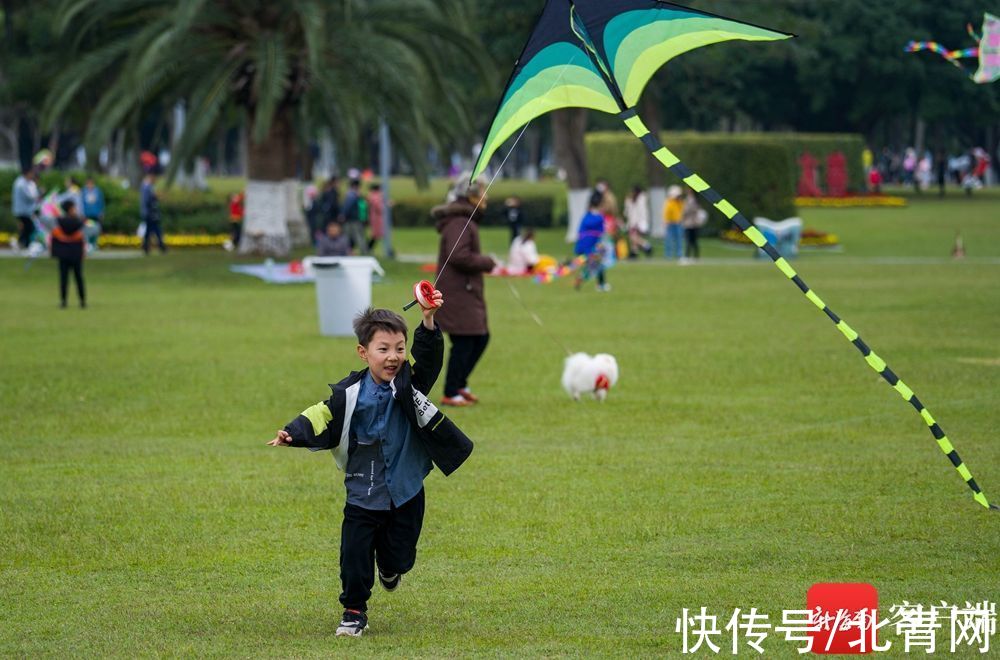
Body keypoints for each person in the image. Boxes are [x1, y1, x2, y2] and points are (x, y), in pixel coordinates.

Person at [267, 299, 474, 638]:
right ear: (363, 352)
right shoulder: (349, 394)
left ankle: (390, 568)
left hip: (405, 490)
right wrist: (293, 432)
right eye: (383, 349)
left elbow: (431, 359)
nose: (393, 356)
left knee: (399, 556)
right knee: (354, 555)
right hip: (363, 490)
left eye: (399, 349)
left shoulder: (409, 386)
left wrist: (428, 320)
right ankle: (353, 611)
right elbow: (321, 414)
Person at [434, 174, 497, 407]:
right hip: (457, 292)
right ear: (472, 195)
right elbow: (458, 255)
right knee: (466, 340)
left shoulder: (464, 219)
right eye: (483, 191)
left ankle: (460, 384)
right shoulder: (460, 221)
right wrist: (487, 262)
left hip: (464, 291)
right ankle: (452, 391)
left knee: (479, 337)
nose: (486, 196)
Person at [51, 199, 86, 308]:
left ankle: (63, 301)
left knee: (63, 278)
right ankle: (82, 301)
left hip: (63, 254)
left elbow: (54, 238)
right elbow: (84, 233)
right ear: (70, 209)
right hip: (75, 254)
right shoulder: (78, 222)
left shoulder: (59, 222)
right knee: (78, 278)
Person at [574, 191, 610, 292]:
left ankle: (589, 280)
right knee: (597, 265)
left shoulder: (586, 216)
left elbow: (580, 231)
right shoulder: (599, 218)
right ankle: (600, 284)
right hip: (592, 246)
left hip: (583, 245)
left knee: (595, 265)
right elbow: (602, 232)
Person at [12, 167, 40, 250]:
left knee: (27, 227)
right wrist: (37, 195)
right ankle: (22, 243)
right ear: (27, 173)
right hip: (23, 210)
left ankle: (24, 243)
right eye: (31, 173)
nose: (32, 176)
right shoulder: (21, 183)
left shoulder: (23, 182)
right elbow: (28, 197)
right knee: (29, 227)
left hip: (24, 209)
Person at [140, 173, 167, 254]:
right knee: (155, 230)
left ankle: (147, 246)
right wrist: (155, 197)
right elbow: (147, 201)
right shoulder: (147, 188)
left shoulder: (148, 187)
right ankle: (159, 246)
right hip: (150, 213)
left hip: (150, 213)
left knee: (151, 230)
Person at [623, 184, 652, 258]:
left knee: (633, 237)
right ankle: (634, 252)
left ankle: (646, 245)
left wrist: (638, 223)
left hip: (638, 222)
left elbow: (641, 213)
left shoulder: (641, 199)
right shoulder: (631, 200)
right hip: (633, 222)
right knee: (634, 238)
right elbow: (627, 212)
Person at [340, 179, 368, 255]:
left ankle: (363, 251)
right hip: (357, 218)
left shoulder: (351, 194)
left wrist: (343, 215)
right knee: (359, 236)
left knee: (350, 236)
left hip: (351, 219)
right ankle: (363, 251)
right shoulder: (357, 194)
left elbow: (347, 206)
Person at [680, 187, 705, 262]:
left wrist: (683, 214)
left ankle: (687, 256)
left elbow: (688, 210)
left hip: (691, 223)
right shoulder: (691, 199)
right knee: (693, 241)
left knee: (689, 240)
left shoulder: (691, 199)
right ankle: (695, 256)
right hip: (692, 223)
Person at [662, 184, 684, 260]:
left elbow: (682, 211)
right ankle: (668, 255)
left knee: (679, 239)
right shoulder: (669, 202)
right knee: (669, 239)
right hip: (670, 223)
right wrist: (665, 221)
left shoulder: (680, 202)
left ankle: (679, 254)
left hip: (678, 223)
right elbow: (666, 212)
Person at [366, 183, 385, 254]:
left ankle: (368, 248)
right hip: (377, 218)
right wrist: (386, 206)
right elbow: (379, 207)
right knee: (376, 235)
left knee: (375, 235)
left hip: (374, 217)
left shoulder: (372, 196)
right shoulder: (376, 196)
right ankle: (368, 248)